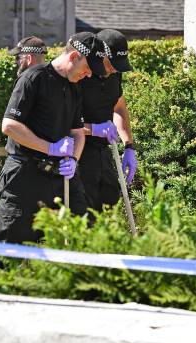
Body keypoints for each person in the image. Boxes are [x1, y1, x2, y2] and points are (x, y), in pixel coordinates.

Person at [0, 32, 106, 244]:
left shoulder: (73, 86)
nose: (89, 75)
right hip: (24, 176)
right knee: (8, 251)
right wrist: (50, 148)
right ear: (73, 57)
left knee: (81, 238)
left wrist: (74, 159)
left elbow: (77, 132)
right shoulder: (33, 78)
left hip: (60, 176)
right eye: (88, 68)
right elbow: (10, 126)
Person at [79, 29, 138, 213]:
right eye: (111, 63)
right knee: (84, 213)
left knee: (111, 202)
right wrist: (93, 129)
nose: (114, 69)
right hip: (77, 153)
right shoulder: (79, 75)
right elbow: (61, 122)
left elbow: (118, 106)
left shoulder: (114, 73)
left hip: (103, 150)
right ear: (99, 54)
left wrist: (129, 146)